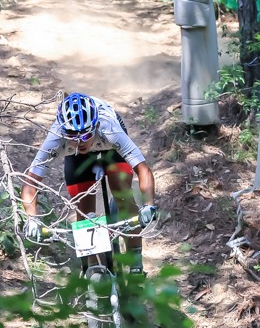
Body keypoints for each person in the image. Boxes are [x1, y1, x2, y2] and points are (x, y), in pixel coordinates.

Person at [20, 92, 157, 274]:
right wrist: (32, 219)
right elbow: (31, 182)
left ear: (96, 126)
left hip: (108, 145)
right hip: (77, 157)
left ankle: (135, 261)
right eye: (72, 136)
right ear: (63, 131)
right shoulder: (57, 137)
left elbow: (143, 170)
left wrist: (148, 205)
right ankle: (94, 268)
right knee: (83, 207)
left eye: (85, 136)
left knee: (122, 191)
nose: (79, 142)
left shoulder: (109, 129)